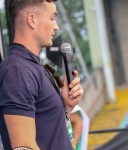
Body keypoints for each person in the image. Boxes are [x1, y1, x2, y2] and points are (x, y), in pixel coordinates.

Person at [0, 0, 83, 150]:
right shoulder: (18, 71)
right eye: (52, 18)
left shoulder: (32, 67)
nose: (56, 27)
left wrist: (66, 107)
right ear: (32, 20)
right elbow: (24, 147)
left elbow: (51, 134)